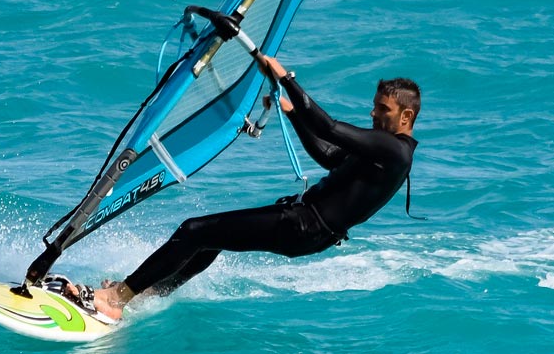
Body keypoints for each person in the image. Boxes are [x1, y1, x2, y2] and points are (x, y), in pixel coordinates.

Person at [85, 52, 421, 320]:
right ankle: (152, 291)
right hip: (308, 229)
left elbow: (330, 128)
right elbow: (330, 156)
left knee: (193, 230)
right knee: (209, 240)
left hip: (303, 225)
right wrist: (291, 113)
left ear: (405, 116)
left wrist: (286, 78)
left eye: (383, 109)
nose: (374, 113)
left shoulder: (393, 148)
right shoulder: (387, 153)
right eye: (375, 106)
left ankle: (118, 297)